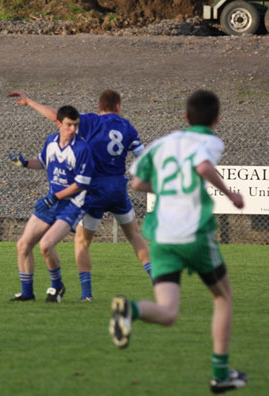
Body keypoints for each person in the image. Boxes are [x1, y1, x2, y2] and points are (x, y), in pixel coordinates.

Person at [109, 90, 247, 394]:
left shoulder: (163, 144)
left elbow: (136, 183)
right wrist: (230, 195)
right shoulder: (208, 140)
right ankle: (221, 374)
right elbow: (201, 167)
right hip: (193, 232)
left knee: (168, 312)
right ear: (217, 119)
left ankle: (130, 310)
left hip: (161, 236)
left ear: (185, 117)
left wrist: (168, 185)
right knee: (223, 297)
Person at [8, 89, 152, 302]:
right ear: (118, 107)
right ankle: (157, 279)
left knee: (82, 242)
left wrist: (30, 102)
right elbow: (144, 156)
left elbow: (56, 114)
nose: (73, 128)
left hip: (91, 190)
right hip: (118, 188)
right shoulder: (127, 127)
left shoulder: (89, 124)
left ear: (99, 106)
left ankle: (86, 294)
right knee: (134, 236)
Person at [9, 105, 94, 303]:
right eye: (68, 125)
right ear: (58, 123)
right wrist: (25, 163)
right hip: (52, 201)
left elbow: (80, 185)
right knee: (22, 245)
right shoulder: (51, 142)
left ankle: (57, 286)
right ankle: (27, 294)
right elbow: (42, 161)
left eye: (76, 125)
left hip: (72, 205)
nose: (72, 129)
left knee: (46, 245)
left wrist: (55, 197)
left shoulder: (82, 148)